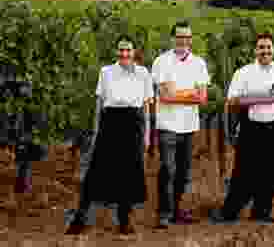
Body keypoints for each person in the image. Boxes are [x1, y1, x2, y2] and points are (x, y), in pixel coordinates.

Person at [64, 36, 153, 236]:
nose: (124, 54)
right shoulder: (106, 72)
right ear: (116, 52)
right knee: (96, 171)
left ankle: (124, 220)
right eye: (121, 50)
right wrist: (96, 131)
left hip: (133, 124)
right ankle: (80, 218)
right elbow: (99, 104)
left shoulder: (143, 73)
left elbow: (146, 107)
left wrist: (147, 135)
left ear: (134, 51)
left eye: (128, 50)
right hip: (110, 123)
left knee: (129, 173)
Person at [209, 31, 274, 225]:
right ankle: (229, 213)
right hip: (251, 127)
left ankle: (261, 212)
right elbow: (232, 100)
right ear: (255, 51)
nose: (265, 51)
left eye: (268, 47)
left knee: (270, 172)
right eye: (261, 47)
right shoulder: (244, 72)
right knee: (244, 172)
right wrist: (262, 97)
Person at [151, 21, 210, 228]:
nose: (183, 40)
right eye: (179, 37)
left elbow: (202, 98)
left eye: (187, 37)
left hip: (189, 126)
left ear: (191, 39)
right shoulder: (161, 61)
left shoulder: (199, 63)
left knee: (183, 173)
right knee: (168, 169)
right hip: (167, 124)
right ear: (173, 38)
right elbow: (164, 96)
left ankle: (176, 210)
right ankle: (163, 214)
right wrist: (189, 94)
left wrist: (177, 94)